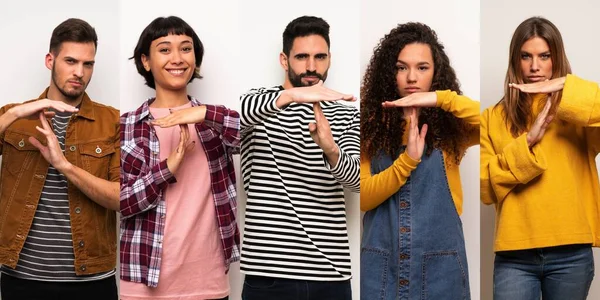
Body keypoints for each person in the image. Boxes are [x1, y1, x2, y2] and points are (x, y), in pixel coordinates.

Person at [119, 16, 240, 300]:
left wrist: (206, 114)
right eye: (164, 49)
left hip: (207, 284)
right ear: (145, 61)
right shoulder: (127, 125)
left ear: (195, 60)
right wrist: (168, 167)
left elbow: (250, 135)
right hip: (143, 284)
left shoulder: (216, 122)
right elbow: (122, 203)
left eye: (186, 49)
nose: (177, 58)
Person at [239, 15, 359, 300]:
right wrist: (291, 96)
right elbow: (231, 119)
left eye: (320, 57)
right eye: (302, 56)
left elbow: (357, 183)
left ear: (330, 58)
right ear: (284, 60)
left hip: (331, 276)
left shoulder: (346, 113)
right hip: (267, 274)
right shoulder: (259, 103)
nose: (311, 66)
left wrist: (331, 150)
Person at [480, 16, 599, 300]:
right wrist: (528, 141)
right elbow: (485, 187)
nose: (535, 66)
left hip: (572, 251)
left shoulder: (577, 112)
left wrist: (563, 87)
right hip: (514, 255)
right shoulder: (492, 118)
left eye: (544, 56)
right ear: (515, 60)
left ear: (556, 60)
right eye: (526, 56)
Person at [0, 18, 119, 300]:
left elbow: (122, 198)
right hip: (22, 279)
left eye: (88, 64)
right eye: (70, 61)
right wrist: (17, 113)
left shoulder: (112, 121)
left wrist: (64, 165)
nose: (79, 72)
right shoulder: (13, 117)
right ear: (49, 60)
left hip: (92, 282)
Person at [360, 22, 480, 300]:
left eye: (422, 67)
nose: (411, 77)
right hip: (381, 271)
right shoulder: (368, 126)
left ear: (436, 73)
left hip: (441, 272)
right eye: (401, 67)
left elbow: (497, 122)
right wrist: (407, 162)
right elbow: (363, 197)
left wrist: (441, 99)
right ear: (389, 73)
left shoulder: (453, 128)